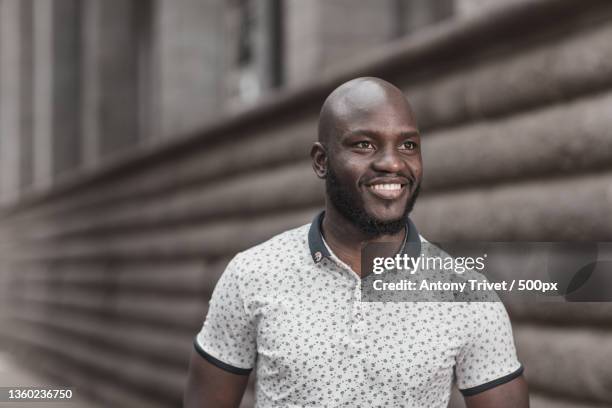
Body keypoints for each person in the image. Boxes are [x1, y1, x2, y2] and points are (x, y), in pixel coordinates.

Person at [184, 77, 529, 407]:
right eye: (364, 144)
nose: (392, 163)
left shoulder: (467, 294)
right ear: (322, 161)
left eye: (408, 145)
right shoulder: (253, 274)